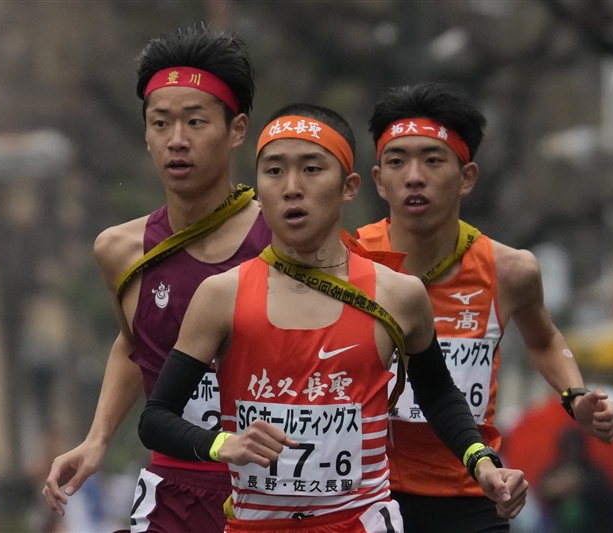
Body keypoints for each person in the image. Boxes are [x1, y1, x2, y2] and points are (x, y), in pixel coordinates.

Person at [138, 103, 528, 533]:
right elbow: (156, 419)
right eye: (273, 171)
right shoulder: (220, 296)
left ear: (349, 187)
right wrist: (221, 443)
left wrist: (482, 462)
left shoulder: (398, 295)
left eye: (311, 169)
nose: (291, 188)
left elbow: (438, 396)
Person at [354, 82, 613, 533]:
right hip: (369, 493)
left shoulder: (510, 270)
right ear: (379, 180)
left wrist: (574, 395)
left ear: (467, 177)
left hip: (471, 491)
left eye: (433, 160)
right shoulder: (349, 263)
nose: (413, 176)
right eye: (397, 161)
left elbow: (545, 339)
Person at [41, 26, 271, 533]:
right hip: (175, 489)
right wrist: (97, 438)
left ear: (237, 130)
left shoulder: (283, 240)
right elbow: (134, 345)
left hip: (271, 493)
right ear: (145, 133)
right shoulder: (119, 250)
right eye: (161, 122)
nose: (177, 141)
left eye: (195, 121)